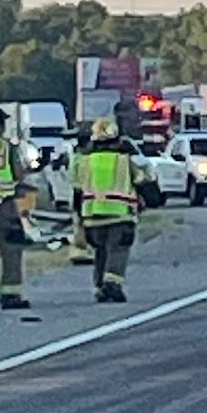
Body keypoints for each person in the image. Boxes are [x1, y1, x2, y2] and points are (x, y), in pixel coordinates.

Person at [76, 117, 153, 303]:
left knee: (101, 252)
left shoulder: (83, 161)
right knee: (118, 250)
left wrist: (79, 217)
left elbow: (76, 189)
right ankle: (112, 284)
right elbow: (143, 180)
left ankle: (100, 285)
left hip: (92, 217)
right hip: (120, 215)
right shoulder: (124, 160)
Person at [0, 107, 30, 309]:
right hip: (3, 205)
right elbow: (18, 173)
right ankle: (10, 294)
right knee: (12, 249)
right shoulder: (6, 147)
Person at [67, 128, 95, 266]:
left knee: (79, 223)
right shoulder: (84, 158)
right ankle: (83, 251)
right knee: (84, 223)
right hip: (83, 193)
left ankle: (80, 250)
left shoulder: (76, 157)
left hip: (78, 193)